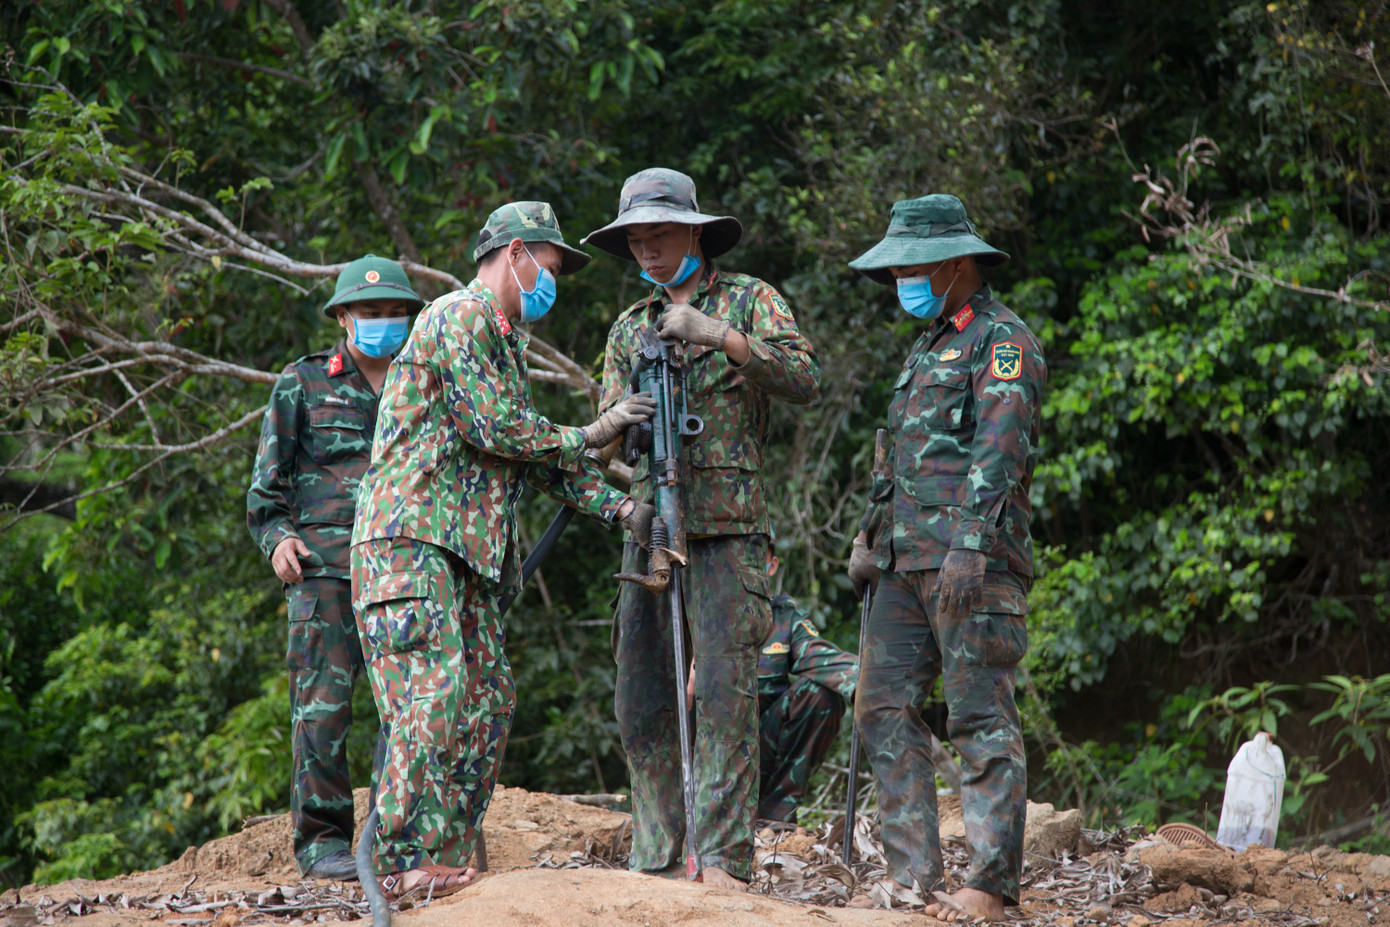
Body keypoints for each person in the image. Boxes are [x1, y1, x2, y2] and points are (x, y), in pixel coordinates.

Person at [350, 202, 657, 900]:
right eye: (546, 269)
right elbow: (496, 427)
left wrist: (625, 509)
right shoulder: (456, 316)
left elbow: (538, 458)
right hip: (410, 541)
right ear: (514, 254)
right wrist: (591, 429)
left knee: (488, 698)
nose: (551, 285)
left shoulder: (505, 343)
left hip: (467, 557)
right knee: (433, 693)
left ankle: (448, 858)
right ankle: (400, 857)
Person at [583, 167, 821, 890]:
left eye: (659, 235)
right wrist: (622, 427)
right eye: (636, 240)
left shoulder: (751, 299)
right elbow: (603, 447)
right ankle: (657, 856)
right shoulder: (630, 328)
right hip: (651, 529)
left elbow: (805, 380)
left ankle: (720, 863)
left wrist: (722, 336)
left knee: (724, 695)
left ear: (693, 231)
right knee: (642, 695)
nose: (647, 251)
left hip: (728, 532)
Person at [845, 194, 1046, 922]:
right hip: (904, 565)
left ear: (958, 262)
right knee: (880, 703)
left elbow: (1000, 450)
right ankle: (913, 875)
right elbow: (897, 453)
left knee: (979, 716)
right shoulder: (927, 344)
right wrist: (869, 536)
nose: (903, 278)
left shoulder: (1003, 341)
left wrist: (969, 546)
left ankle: (989, 885)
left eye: (915, 265)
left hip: (972, 567)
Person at [246, 255, 425, 881]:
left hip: (407, 571)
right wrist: (277, 542)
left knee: (411, 709)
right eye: (371, 313)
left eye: (395, 312)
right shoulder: (303, 383)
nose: (384, 322)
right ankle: (323, 842)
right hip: (325, 572)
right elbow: (265, 492)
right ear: (344, 316)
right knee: (322, 710)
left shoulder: (424, 381)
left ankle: (398, 838)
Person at [752, 547, 858, 826]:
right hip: (704, 753)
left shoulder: (783, 618)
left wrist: (871, 681)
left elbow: (817, 655)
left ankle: (774, 817)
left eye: (755, 556)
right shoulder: (699, 614)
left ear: (772, 565)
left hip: (758, 747)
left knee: (821, 696)